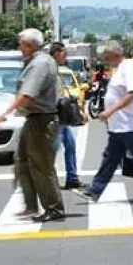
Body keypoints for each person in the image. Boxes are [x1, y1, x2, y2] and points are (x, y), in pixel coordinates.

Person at [74, 41, 133, 203]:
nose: (106, 60)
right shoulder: (118, 70)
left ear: (115, 54)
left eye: (107, 57)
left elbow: (132, 93)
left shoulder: (128, 68)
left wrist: (110, 110)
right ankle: (94, 190)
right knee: (110, 159)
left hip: (129, 124)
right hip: (118, 126)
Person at [0, 29, 66, 223]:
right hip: (34, 118)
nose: (19, 48)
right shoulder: (37, 61)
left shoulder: (40, 63)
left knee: (42, 165)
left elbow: (27, 95)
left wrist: (3, 114)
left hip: (41, 120)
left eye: (21, 44)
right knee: (22, 159)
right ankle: (31, 204)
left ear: (31, 45)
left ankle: (54, 208)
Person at [49, 42, 83, 189]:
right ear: (56, 53)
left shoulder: (57, 70)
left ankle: (72, 178)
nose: (66, 56)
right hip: (55, 117)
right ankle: (48, 179)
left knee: (70, 145)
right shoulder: (49, 70)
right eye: (64, 53)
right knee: (52, 150)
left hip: (62, 117)